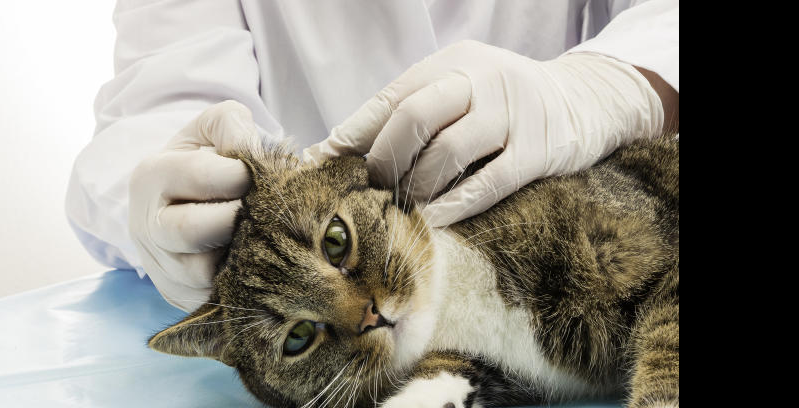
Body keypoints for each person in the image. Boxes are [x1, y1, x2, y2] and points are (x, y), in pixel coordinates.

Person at [66, 0, 679, 311]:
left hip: (584, 267)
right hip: (335, 357)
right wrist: (162, 199)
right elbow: (156, 103)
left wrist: (617, 84)